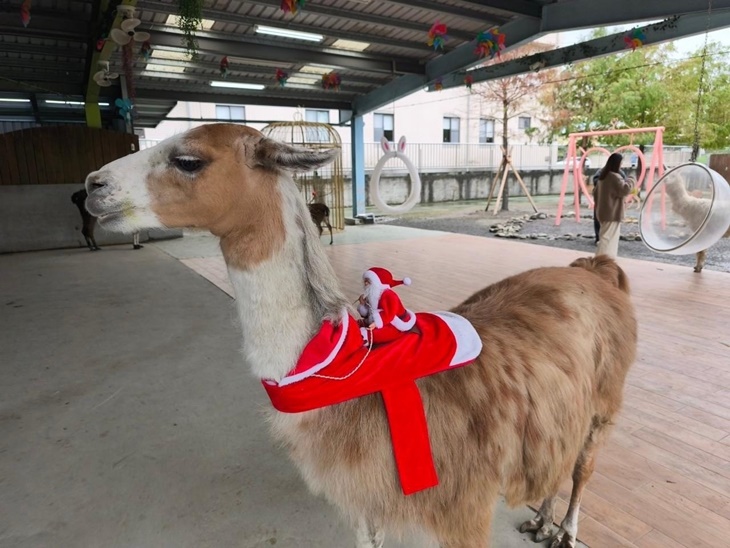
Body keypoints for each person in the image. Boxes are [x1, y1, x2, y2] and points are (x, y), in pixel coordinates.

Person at [357, 267, 416, 345]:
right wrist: (362, 304)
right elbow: (370, 310)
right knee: (359, 324)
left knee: (380, 333)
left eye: (368, 281)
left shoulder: (389, 295)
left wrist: (376, 323)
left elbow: (390, 314)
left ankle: (366, 336)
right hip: (381, 319)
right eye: (365, 281)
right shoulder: (372, 293)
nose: (366, 284)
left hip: (396, 322)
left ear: (377, 282)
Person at [594, 153, 635, 258]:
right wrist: (631, 179)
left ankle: (604, 259)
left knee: (605, 236)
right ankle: (602, 260)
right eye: (621, 162)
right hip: (612, 213)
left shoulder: (603, 177)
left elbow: (595, 193)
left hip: (602, 212)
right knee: (608, 239)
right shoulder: (614, 177)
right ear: (617, 163)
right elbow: (625, 190)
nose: (621, 165)